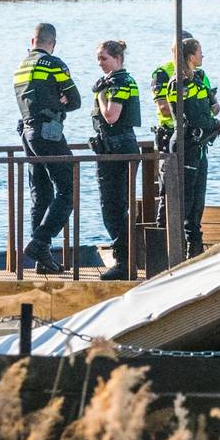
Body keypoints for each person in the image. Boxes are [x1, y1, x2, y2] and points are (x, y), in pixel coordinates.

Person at [13, 22, 81, 273]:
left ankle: (43, 261)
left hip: (27, 134)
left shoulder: (20, 67)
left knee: (40, 194)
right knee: (68, 188)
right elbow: (75, 100)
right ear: (52, 43)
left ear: (32, 41)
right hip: (49, 133)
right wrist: (60, 101)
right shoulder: (55, 64)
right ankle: (40, 241)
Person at [167, 37, 220, 259]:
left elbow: (207, 110)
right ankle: (179, 252)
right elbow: (194, 118)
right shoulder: (180, 83)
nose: (203, 55)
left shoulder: (199, 80)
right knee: (186, 202)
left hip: (199, 147)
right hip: (186, 147)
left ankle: (195, 250)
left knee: (197, 203)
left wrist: (215, 121)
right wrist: (217, 124)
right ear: (191, 56)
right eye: (200, 51)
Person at [90, 39, 142, 281]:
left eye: (104, 58)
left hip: (119, 149)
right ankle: (126, 259)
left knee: (113, 208)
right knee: (113, 207)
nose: (99, 63)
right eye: (98, 58)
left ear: (118, 59)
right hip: (115, 148)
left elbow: (111, 116)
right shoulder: (115, 81)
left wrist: (100, 95)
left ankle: (124, 262)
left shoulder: (119, 81)